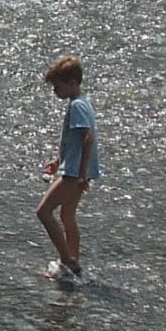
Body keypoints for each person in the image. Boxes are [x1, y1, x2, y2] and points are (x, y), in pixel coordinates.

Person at [37, 55, 101, 288]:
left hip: (74, 172)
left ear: (72, 83)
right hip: (74, 167)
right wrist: (59, 160)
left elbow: (88, 138)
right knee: (67, 215)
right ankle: (72, 263)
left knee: (43, 212)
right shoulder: (83, 101)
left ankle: (67, 260)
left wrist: (81, 174)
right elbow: (75, 141)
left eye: (58, 86)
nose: (55, 91)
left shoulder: (77, 105)